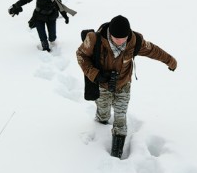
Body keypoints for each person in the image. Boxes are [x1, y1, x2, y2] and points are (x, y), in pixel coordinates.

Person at [76, 15, 177, 158]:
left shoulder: (135, 42)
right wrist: (96, 74)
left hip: (123, 84)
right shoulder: (94, 39)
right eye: (117, 38)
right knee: (103, 113)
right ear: (110, 33)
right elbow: (81, 55)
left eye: (123, 38)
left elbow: (153, 50)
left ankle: (116, 154)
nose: (120, 41)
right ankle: (101, 120)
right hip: (102, 86)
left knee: (120, 117)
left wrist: (170, 61)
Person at [8, 0, 75, 52]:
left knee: (52, 37)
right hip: (39, 16)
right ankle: (45, 49)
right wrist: (15, 6)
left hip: (51, 16)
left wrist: (65, 16)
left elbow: (59, 5)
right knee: (43, 39)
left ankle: (52, 41)